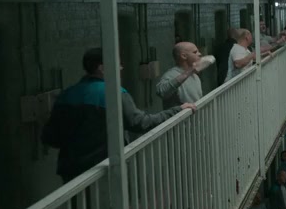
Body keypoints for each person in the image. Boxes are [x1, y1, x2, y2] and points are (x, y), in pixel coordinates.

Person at [42, 48, 193, 182]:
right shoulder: (113, 93)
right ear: (102, 68)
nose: (121, 68)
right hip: (103, 169)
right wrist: (176, 110)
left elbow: (50, 137)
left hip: (71, 171)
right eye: (118, 64)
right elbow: (139, 122)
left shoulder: (67, 95)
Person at [155, 42, 213, 108]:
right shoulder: (171, 74)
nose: (200, 54)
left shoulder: (194, 76)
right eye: (195, 52)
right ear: (184, 56)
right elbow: (161, 92)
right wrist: (189, 72)